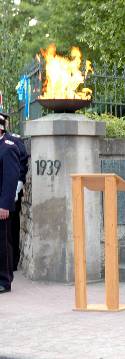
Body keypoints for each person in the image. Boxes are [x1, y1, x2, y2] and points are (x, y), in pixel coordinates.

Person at [0, 112, 29, 271]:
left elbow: (21, 167)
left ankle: (12, 264)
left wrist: (16, 190)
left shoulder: (14, 141)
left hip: (11, 193)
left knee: (10, 231)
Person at [0, 115, 20, 294]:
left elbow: (10, 179)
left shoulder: (8, 149)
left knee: (3, 243)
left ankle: (5, 280)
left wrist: (5, 205)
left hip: (1, 206)